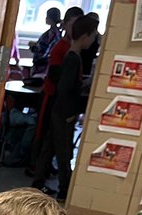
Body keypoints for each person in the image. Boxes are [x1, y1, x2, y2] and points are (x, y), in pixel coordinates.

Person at [31, 15, 98, 199]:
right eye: (92, 37)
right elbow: (65, 88)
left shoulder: (72, 56)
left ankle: (38, 182)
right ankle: (65, 189)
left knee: (50, 146)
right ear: (85, 37)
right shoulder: (72, 58)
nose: (93, 40)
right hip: (63, 111)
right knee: (63, 151)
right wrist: (70, 113)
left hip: (59, 110)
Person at [28, 6, 62, 77]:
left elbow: (44, 51)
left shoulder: (51, 34)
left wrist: (33, 46)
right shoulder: (57, 33)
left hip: (42, 66)